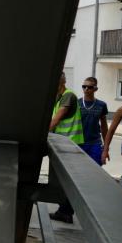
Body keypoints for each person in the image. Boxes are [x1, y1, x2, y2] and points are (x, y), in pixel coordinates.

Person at [48, 72, 84, 223]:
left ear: (61, 82)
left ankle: (66, 211)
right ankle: (64, 211)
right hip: (62, 143)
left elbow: (56, 119)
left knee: (66, 180)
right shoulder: (59, 97)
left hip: (70, 143)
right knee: (59, 179)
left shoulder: (68, 96)